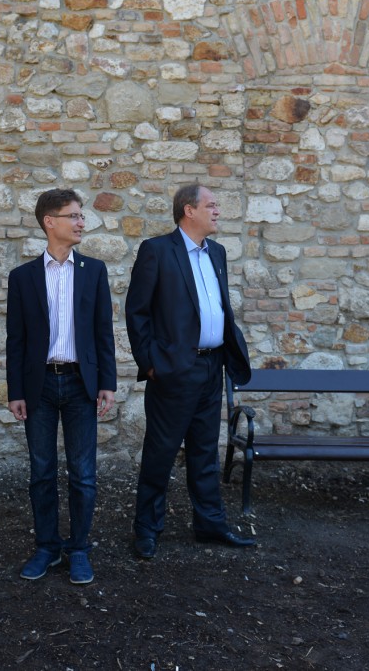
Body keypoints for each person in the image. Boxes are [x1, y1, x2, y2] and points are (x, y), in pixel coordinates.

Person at [125, 183, 254, 560]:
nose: (218, 211)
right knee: (161, 452)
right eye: (211, 205)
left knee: (205, 451)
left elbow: (218, 307)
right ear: (189, 210)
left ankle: (210, 523)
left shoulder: (217, 252)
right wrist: (151, 364)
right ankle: (147, 528)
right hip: (173, 370)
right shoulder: (157, 250)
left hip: (212, 366)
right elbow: (137, 312)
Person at [6, 188, 117, 585]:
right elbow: (16, 339)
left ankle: (79, 549)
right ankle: (47, 547)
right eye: (74, 215)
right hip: (38, 385)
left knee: (83, 473)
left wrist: (107, 382)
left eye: (81, 215)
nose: (81, 222)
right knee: (41, 471)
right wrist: (15, 391)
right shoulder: (22, 278)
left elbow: (103, 331)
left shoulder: (94, 271)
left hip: (80, 384)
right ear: (49, 222)